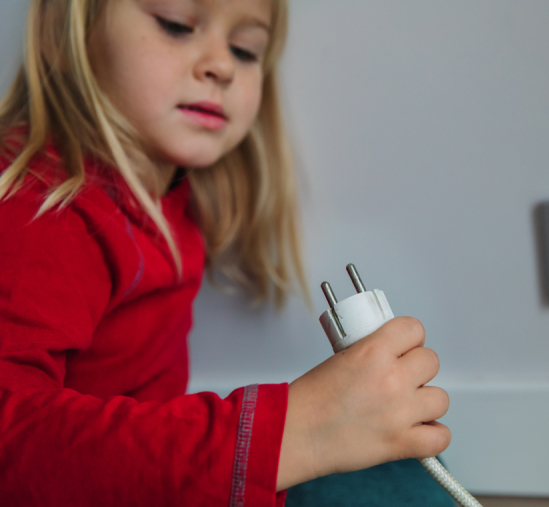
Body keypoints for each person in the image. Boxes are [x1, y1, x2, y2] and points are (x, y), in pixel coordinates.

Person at [0, 0, 451, 506]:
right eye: (175, 25)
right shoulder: (38, 205)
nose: (220, 65)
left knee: (401, 468)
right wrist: (294, 434)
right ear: (66, 37)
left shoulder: (168, 197)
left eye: (245, 50)